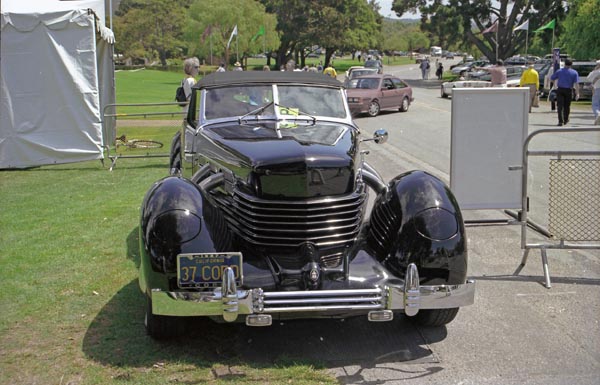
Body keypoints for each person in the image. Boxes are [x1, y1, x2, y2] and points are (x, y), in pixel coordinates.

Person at [550, 58, 579, 126]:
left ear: (564, 63)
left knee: (560, 106)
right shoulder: (574, 72)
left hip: (560, 89)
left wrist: (554, 85)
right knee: (567, 106)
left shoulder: (559, 71)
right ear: (571, 64)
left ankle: (560, 121)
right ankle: (566, 119)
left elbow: (552, 78)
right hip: (569, 90)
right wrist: (577, 93)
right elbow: (576, 84)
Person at [586, 60, 600, 125]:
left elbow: (588, 78)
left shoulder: (595, 72)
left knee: (595, 104)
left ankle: (598, 114)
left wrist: (593, 71)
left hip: (596, 88)